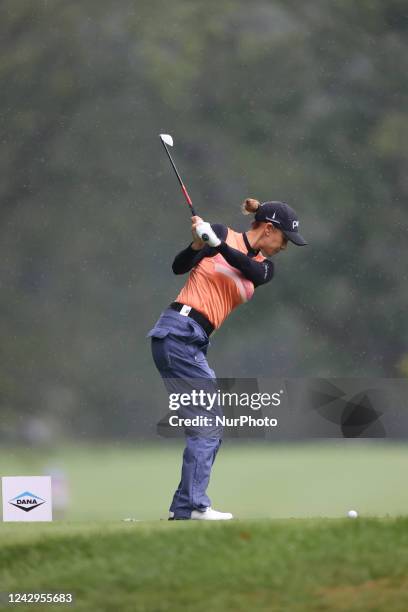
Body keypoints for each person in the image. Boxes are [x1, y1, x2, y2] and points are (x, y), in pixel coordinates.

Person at [148, 198, 307, 520]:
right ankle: (192, 506)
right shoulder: (220, 233)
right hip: (179, 329)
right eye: (284, 239)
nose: (284, 247)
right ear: (268, 228)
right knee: (207, 422)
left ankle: (185, 508)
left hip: (191, 340)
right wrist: (196, 245)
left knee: (206, 423)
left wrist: (216, 245)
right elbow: (179, 266)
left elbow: (246, 268)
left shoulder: (264, 266)